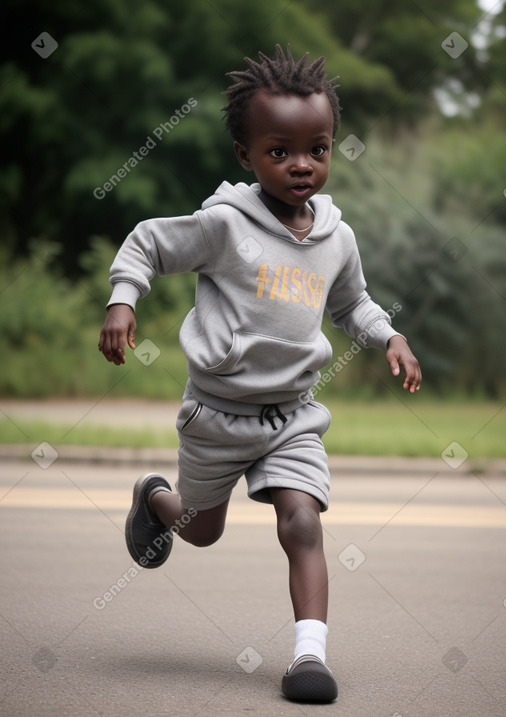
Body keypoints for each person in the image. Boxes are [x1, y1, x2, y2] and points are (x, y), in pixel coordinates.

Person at [98, 44, 422, 703]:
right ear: (246, 155)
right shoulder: (224, 225)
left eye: (318, 148)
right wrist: (123, 297)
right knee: (201, 529)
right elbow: (149, 242)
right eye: (280, 150)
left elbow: (352, 302)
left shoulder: (337, 237)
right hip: (218, 413)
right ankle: (157, 499)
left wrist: (389, 334)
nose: (301, 164)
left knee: (301, 519)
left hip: (293, 416)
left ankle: (309, 658)